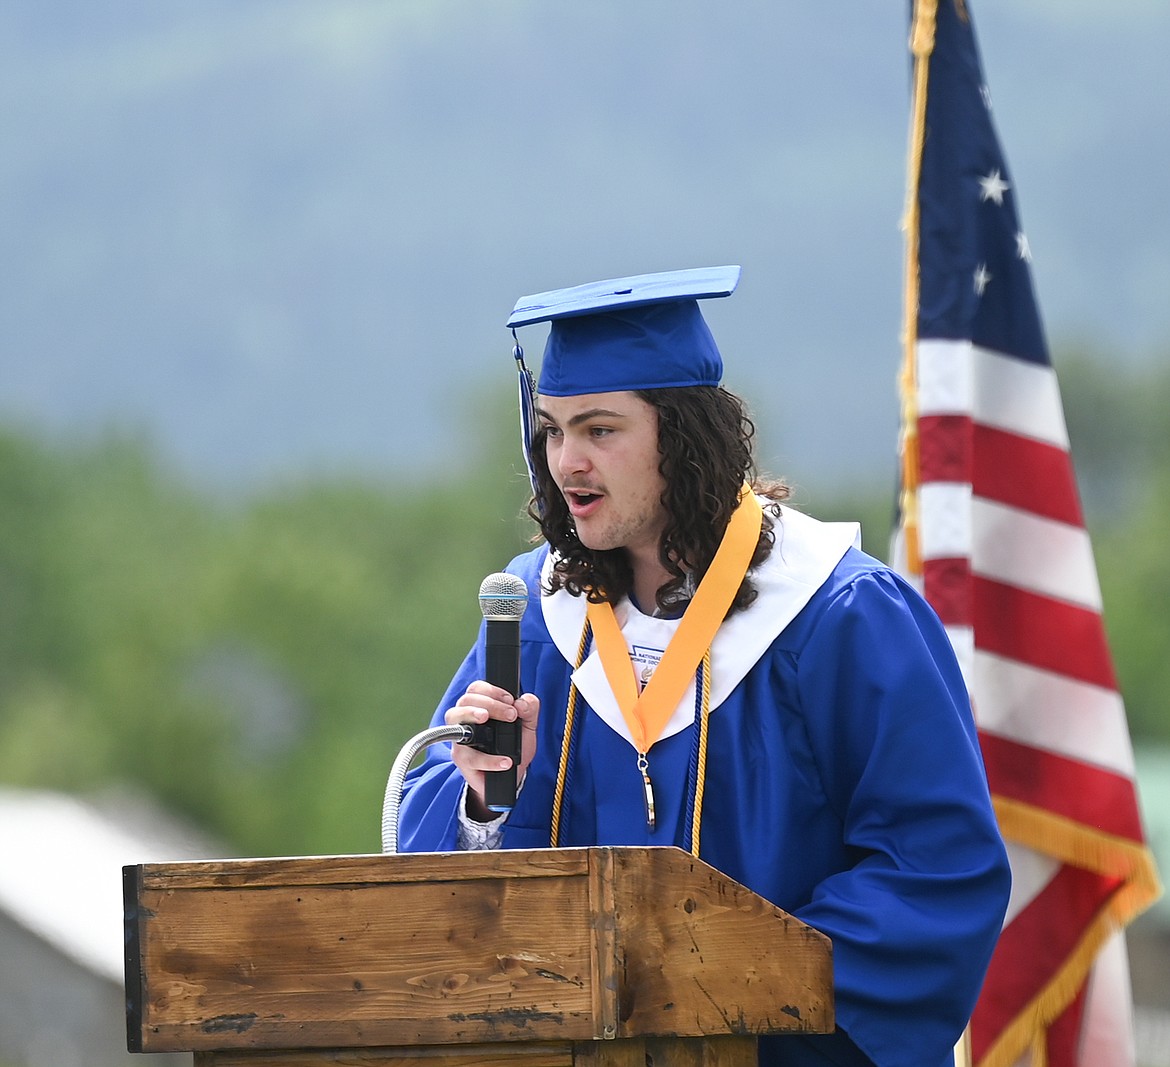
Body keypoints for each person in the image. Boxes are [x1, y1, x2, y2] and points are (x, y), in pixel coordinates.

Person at [395, 265, 1011, 1067]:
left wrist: (725, 994)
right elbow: (428, 885)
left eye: (600, 430)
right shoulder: (541, 622)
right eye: (551, 429)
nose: (564, 462)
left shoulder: (840, 617)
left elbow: (937, 870)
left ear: (682, 438)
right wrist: (480, 804)